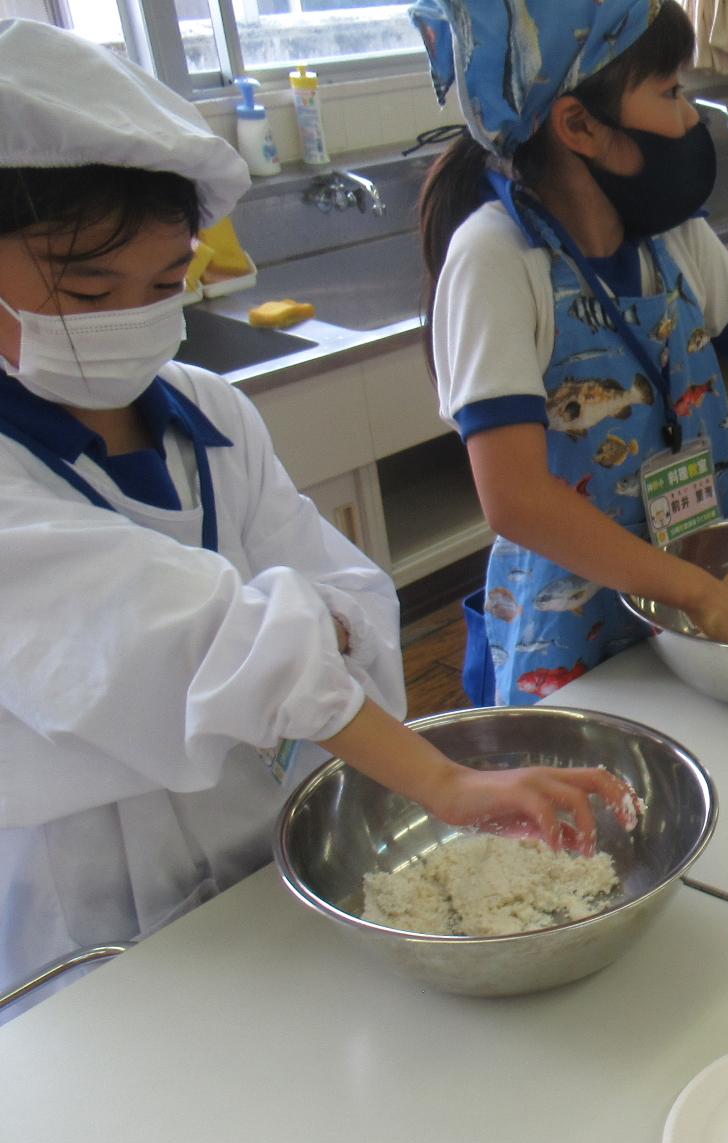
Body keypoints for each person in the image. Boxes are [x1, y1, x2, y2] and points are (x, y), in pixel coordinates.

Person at [0, 21, 626, 1003]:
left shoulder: (210, 414)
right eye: (88, 289)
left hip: (267, 858)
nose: (131, 315)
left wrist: (292, 644)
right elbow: (195, 636)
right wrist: (438, 777)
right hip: (90, 914)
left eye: (164, 285)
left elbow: (348, 600)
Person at [413, 0, 728, 708]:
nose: (690, 119)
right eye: (671, 93)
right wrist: (699, 595)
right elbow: (515, 500)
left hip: (697, 613)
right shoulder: (496, 259)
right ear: (579, 125)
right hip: (574, 643)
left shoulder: (675, 236)